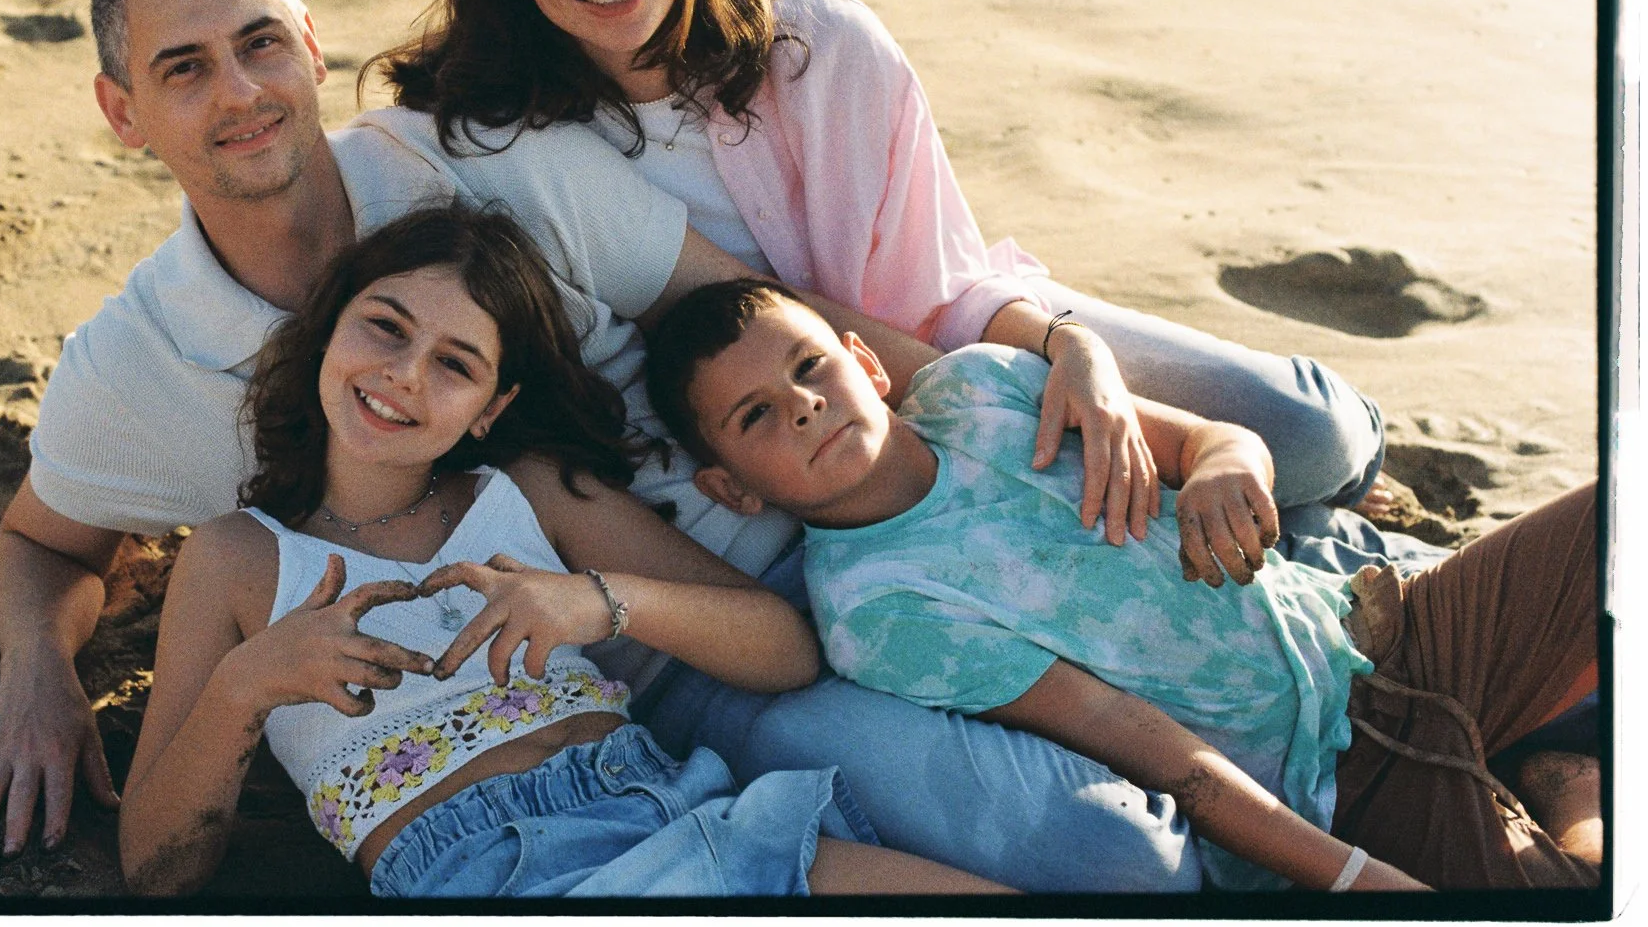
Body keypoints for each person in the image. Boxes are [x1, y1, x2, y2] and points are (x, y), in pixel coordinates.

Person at [0, 0, 1194, 890]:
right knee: (1103, 858)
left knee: (1258, 524)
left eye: (261, 41)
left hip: (795, 551)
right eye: (184, 67)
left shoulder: (478, 161)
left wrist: (1044, 348)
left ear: (311, 44)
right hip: (649, 691)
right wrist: (34, 676)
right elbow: (47, 541)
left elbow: (753, 308)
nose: (241, 92)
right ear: (122, 111)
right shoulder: (139, 368)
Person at [371, 0, 1440, 581]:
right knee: (1150, 514)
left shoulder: (819, 46)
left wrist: (1072, 355)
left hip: (961, 339)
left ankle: (1343, 485)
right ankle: (1325, 538)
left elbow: (939, 287)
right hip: (787, 432)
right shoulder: (511, 139)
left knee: (1308, 434)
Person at [121, 204, 1010, 897]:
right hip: (486, 873)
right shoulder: (236, 558)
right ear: (328, 328)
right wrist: (249, 683)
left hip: (690, 813)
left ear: (491, 409)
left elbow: (783, 646)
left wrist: (596, 602)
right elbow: (157, 871)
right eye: (385, 327)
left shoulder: (524, 491)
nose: (403, 375)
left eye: (455, 363)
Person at [643, 278, 1603, 891]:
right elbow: (1148, 746)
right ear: (730, 485)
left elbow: (1209, 441)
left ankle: (1561, 789)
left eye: (810, 366)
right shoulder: (877, 611)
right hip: (1335, 787)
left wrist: (1234, 469)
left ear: (864, 362)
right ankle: (1567, 803)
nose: (805, 403)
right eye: (758, 415)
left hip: (1385, 628)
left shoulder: (979, 385)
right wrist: (1355, 877)